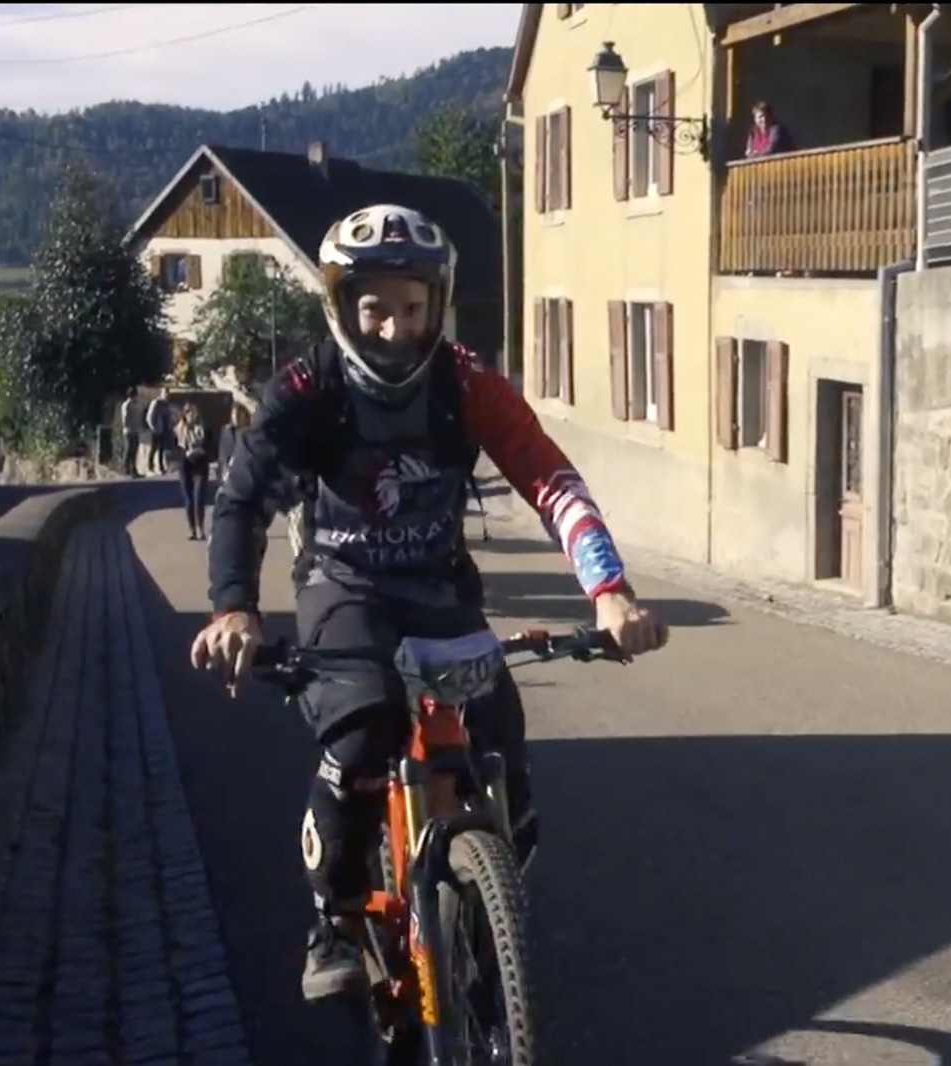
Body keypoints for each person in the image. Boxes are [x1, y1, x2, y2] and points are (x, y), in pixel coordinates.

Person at [190, 203, 668, 1004]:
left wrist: (609, 590)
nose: (394, 329)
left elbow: (550, 479)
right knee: (365, 723)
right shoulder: (308, 387)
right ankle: (335, 917)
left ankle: (485, 908)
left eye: (413, 309)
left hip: (441, 590)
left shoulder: (466, 380)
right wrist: (233, 608)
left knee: (503, 743)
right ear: (341, 305)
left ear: (437, 305)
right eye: (374, 309)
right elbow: (242, 502)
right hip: (343, 587)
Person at [175, 404, 211, 539]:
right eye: (189, 413)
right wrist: (184, 452)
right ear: (184, 415)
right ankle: (192, 529)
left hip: (200, 464)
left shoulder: (203, 429)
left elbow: (210, 445)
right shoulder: (178, 430)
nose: (192, 416)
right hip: (185, 465)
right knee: (188, 498)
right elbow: (174, 447)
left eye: (194, 413)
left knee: (199, 497)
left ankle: (200, 528)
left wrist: (202, 450)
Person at [145, 390, 172, 474]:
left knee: (162, 449)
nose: (167, 396)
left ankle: (161, 467)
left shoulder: (166, 404)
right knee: (154, 448)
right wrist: (153, 427)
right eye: (165, 394)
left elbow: (168, 416)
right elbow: (149, 417)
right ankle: (150, 466)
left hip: (164, 429)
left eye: (168, 395)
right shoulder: (156, 403)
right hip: (157, 429)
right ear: (161, 394)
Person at [120, 388, 145, 477]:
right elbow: (125, 418)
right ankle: (125, 468)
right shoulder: (127, 405)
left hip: (135, 430)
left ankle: (133, 470)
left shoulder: (135, 404)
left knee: (134, 451)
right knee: (129, 450)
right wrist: (127, 426)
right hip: (130, 430)